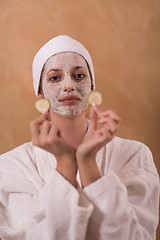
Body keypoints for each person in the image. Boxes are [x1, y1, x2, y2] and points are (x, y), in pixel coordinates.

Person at [0, 35, 159, 240]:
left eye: (79, 76)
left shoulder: (133, 155)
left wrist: (87, 163)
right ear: (40, 91)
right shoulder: (10, 167)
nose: (68, 85)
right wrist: (65, 164)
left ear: (92, 85)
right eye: (55, 78)